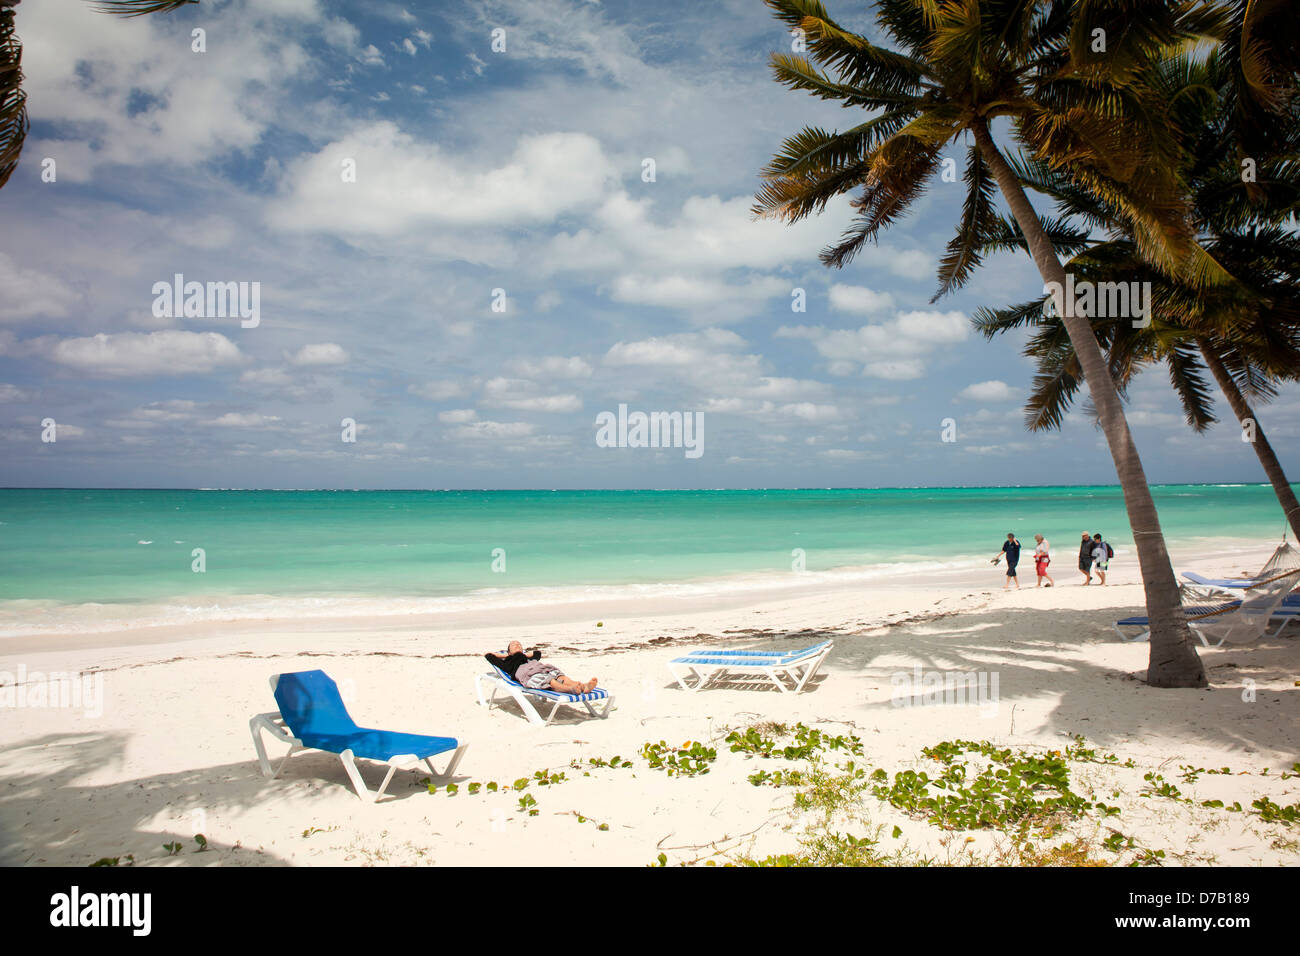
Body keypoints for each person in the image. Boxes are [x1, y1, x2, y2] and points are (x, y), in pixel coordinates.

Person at [486, 640, 598, 694]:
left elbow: (537, 653)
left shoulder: (527, 657)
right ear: (508, 651)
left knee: (558, 675)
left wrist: (521, 653)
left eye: (519, 644)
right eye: (514, 645)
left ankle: (583, 686)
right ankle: (570, 689)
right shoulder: (507, 662)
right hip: (524, 672)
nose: (518, 645)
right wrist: (508, 655)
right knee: (548, 680)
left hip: (538, 666)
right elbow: (489, 656)